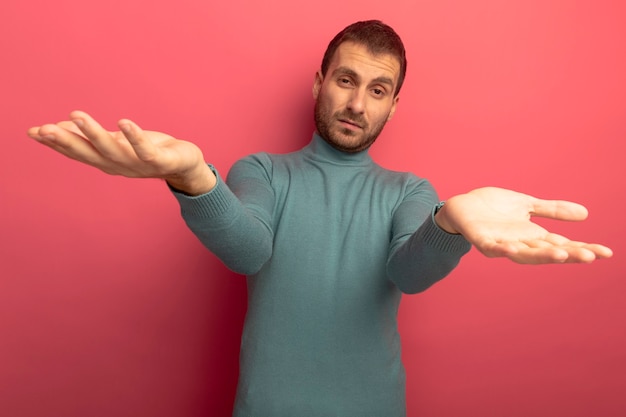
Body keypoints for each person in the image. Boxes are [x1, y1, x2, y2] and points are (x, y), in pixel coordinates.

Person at [27, 20, 612, 417]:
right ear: (320, 81)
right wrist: (193, 176)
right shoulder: (261, 171)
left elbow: (408, 272)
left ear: (393, 104)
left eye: (378, 90)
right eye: (347, 80)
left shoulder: (410, 191)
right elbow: (249, 250)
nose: (358, 103)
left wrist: (451, 221)